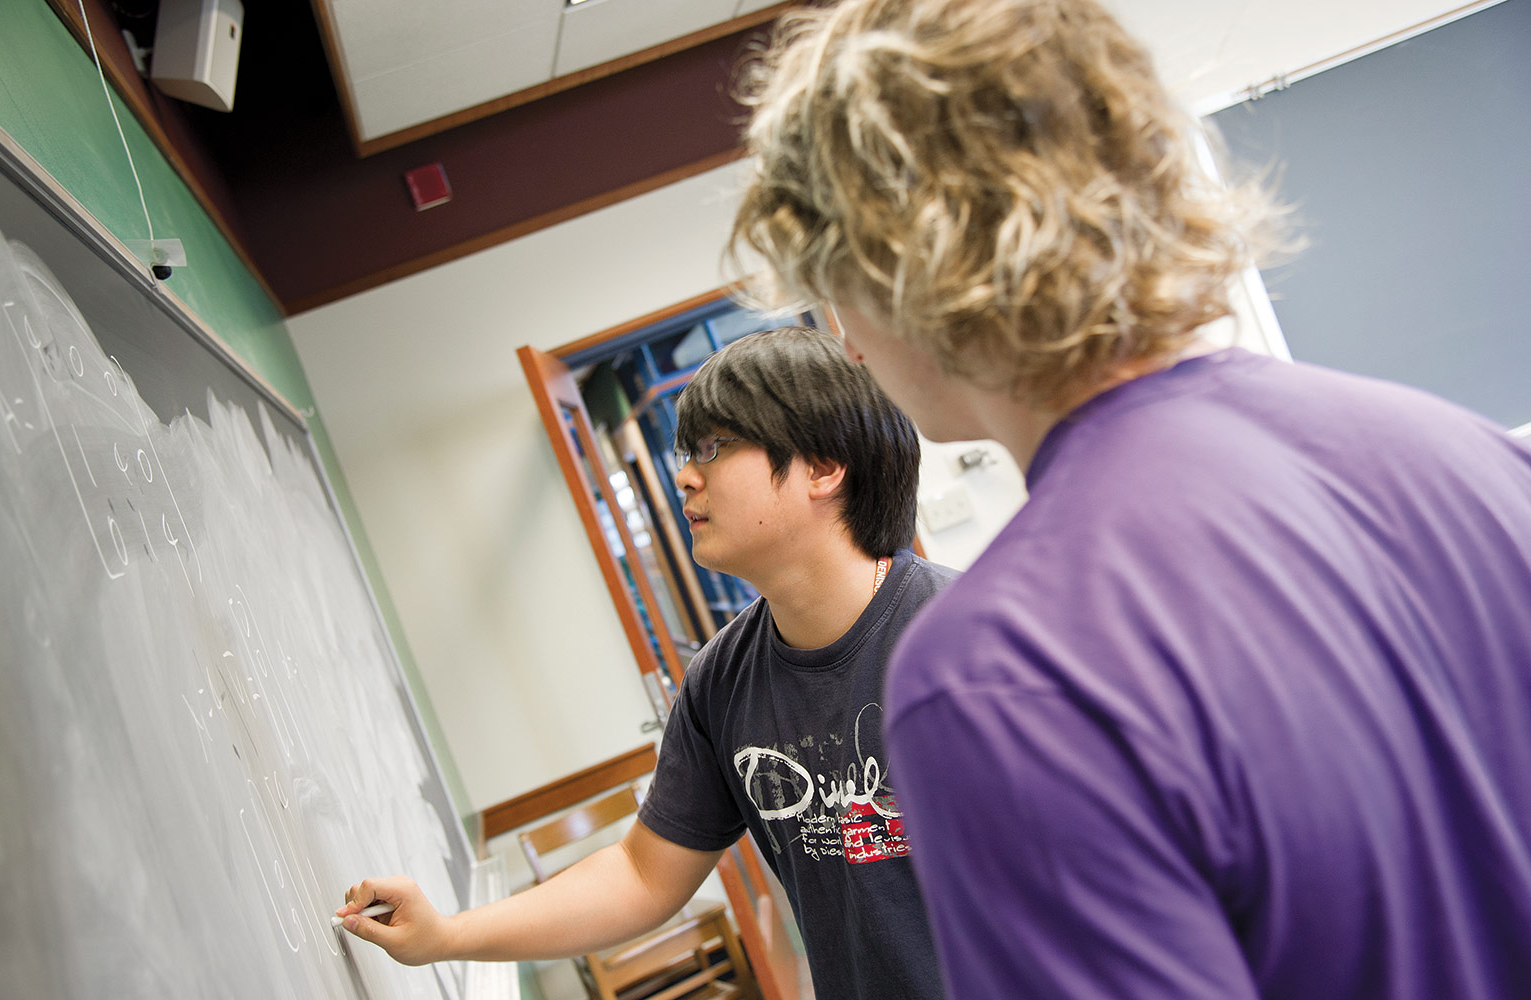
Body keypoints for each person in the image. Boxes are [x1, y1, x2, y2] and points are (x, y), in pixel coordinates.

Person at [726, 2, 1531, 999]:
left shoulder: (995, 679)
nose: (844, 343)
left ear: (900, 267)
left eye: (835, 291)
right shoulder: (1465, 458)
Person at [339, 326, 957, 1000]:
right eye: (687, 451)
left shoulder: (970, 635)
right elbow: (642, 874)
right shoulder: (723, 682)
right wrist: (447, 936)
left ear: (821, 466)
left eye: (715, 448)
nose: (685, 474)